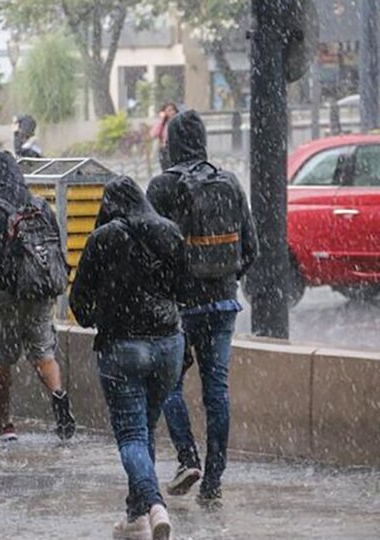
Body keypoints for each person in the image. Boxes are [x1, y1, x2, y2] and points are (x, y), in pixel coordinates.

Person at [146, 109, 258, 507]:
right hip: (224, 302)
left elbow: (148, 251)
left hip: (179, 308)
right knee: (217, 391)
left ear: (173, 143)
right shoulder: (228, 182)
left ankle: (187, 458)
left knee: (169, 386)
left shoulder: (161, 187)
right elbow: (252, 249)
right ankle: (214, 480)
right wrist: (225, 279)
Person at [69, 176, 185, 540]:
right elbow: (184, 288)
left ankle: (154, 504)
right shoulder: (169, 231)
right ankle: (136, 515)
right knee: (145, 429)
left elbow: (79, 300)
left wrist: (96, 318)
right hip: (168, 345)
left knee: (132, 435)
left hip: (122, 347)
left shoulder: (103, 237)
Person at [0, 151, 75, 441]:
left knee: (2, 358)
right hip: (38, 293)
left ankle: (6, 423)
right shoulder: (39, 205)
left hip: (1, 297)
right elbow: (55, 252)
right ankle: (60, 403)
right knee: (43, 353)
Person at [149, 102, 178, 171]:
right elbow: (153, 134)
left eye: (173, 110)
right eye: (169, 110)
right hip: (165, 151)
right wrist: (162, 119)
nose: (172, 112)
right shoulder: (163, 124)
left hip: (176, 150)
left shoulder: (179, 122)